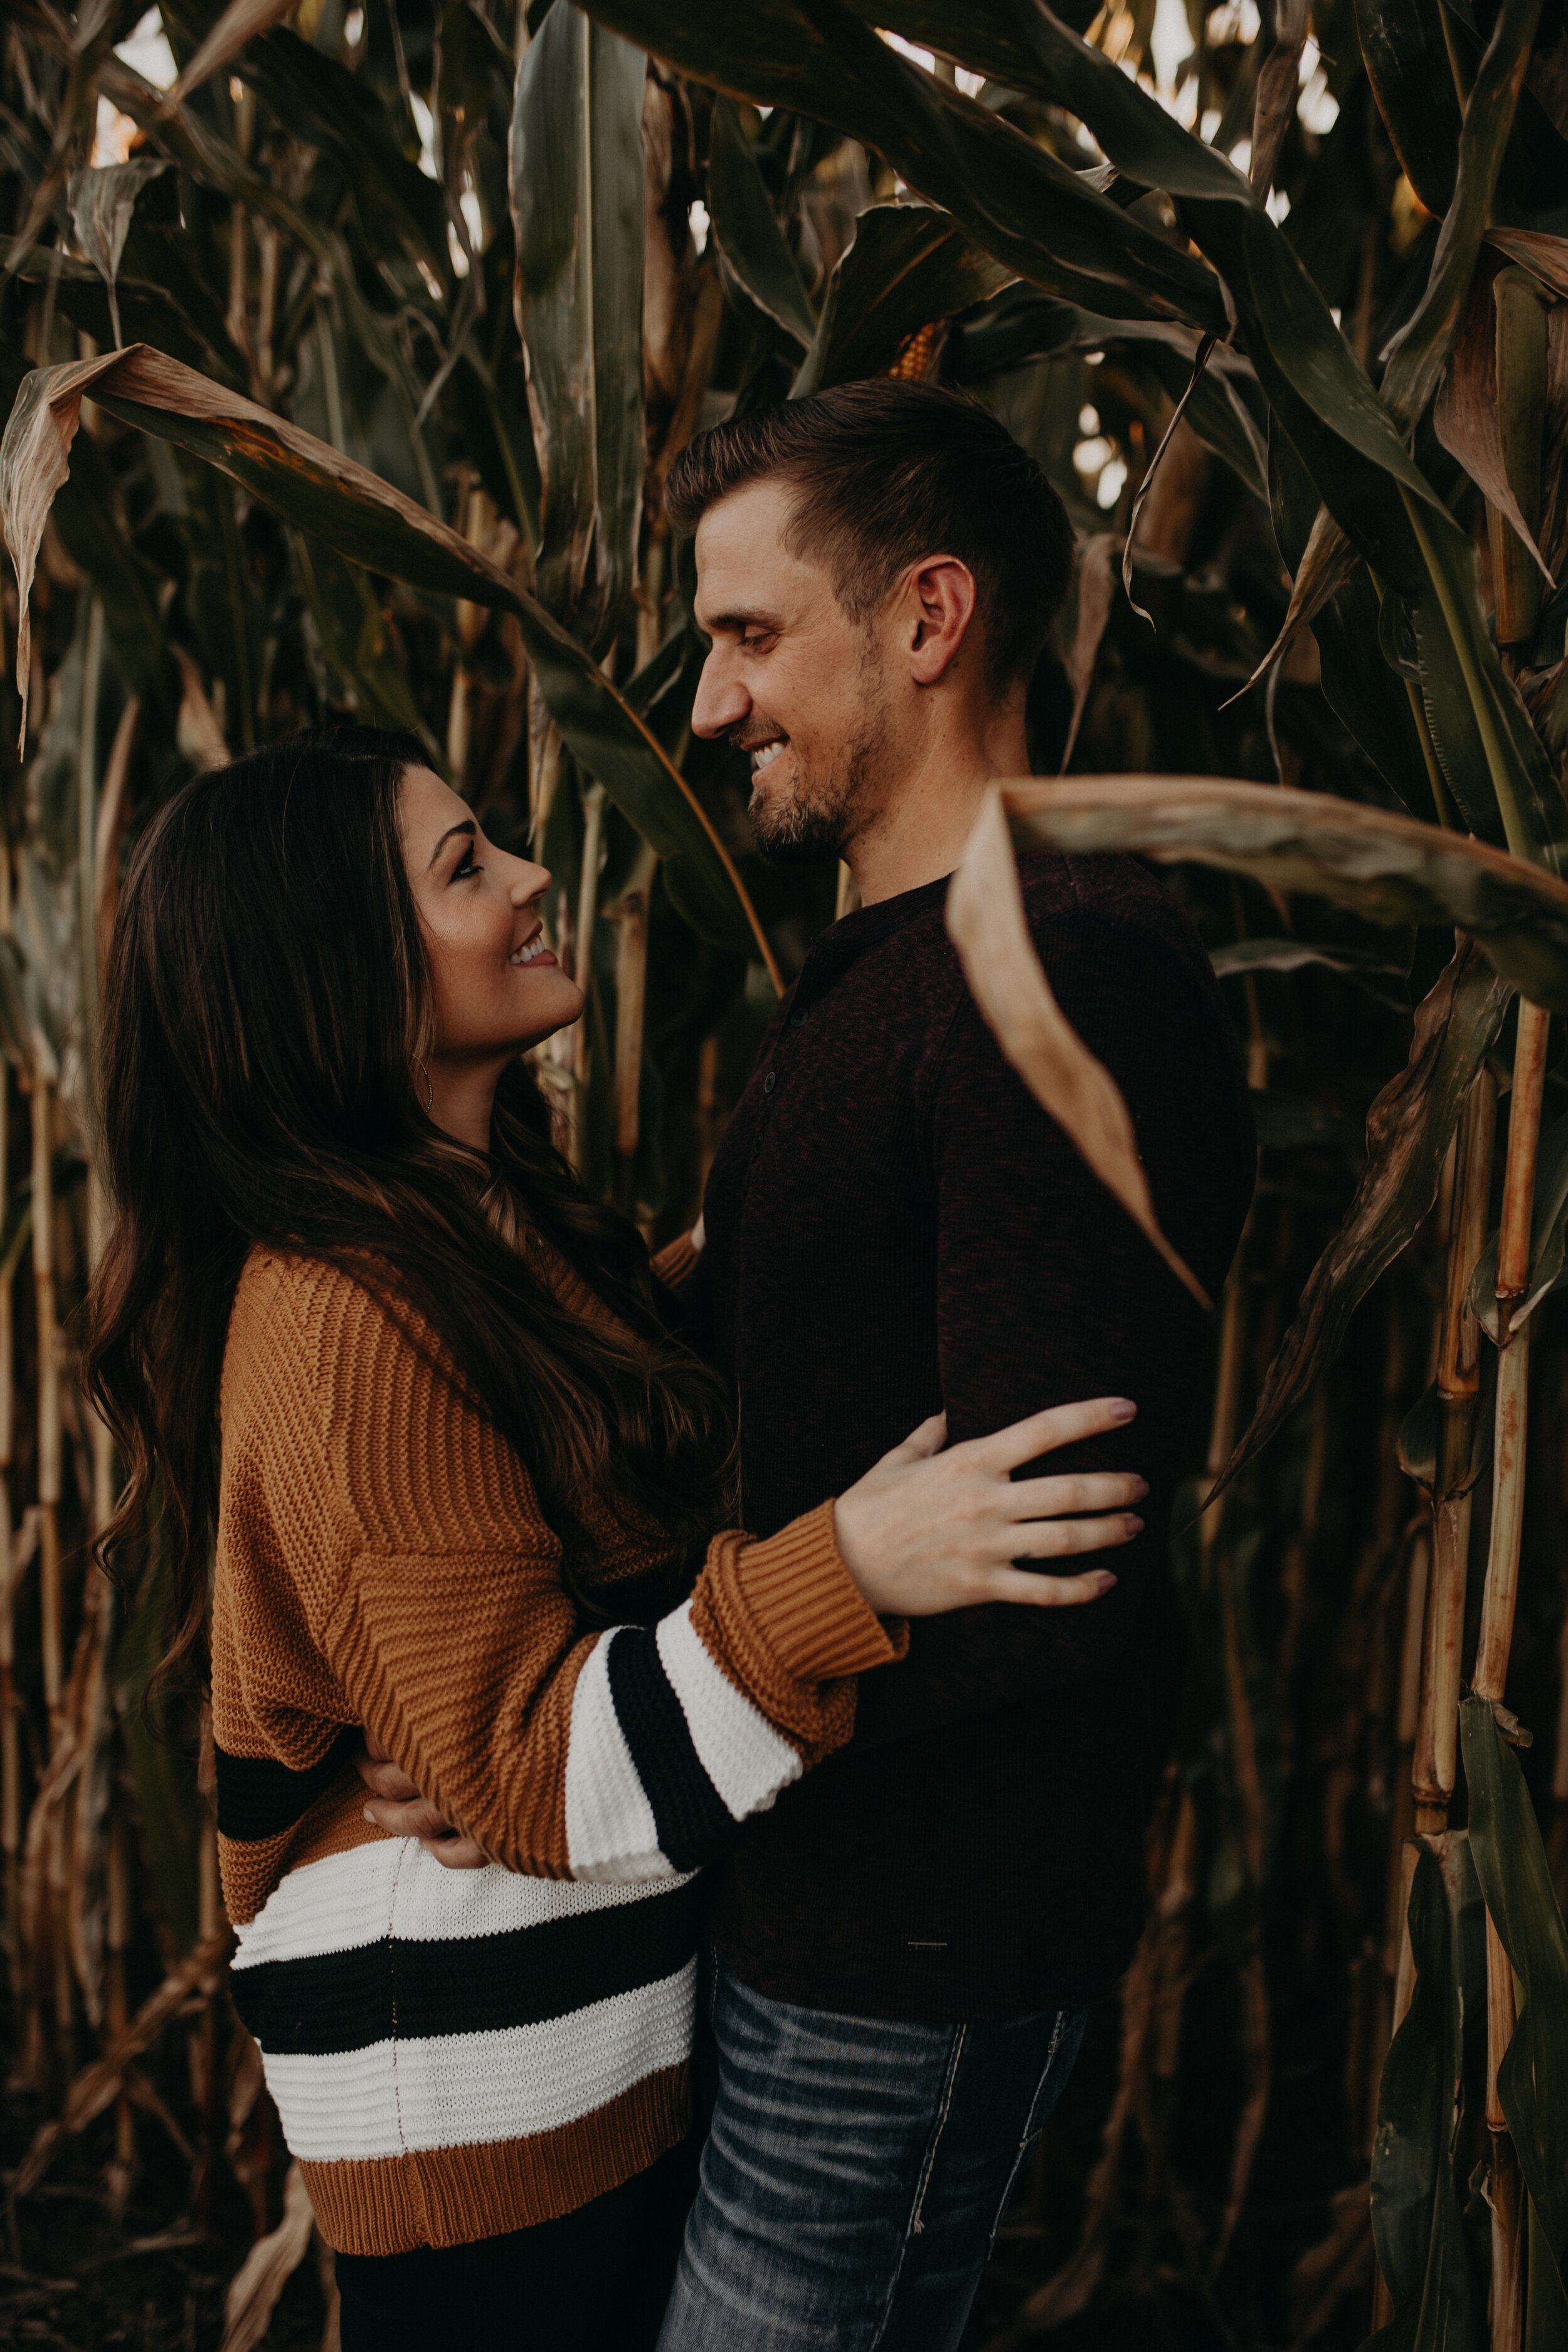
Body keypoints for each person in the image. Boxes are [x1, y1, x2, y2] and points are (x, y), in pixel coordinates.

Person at [363, 382, 1254, 2349]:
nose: (703, 704)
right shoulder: (898, 970)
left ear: (928, 620)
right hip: (804, 1888)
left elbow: (1043, 1561)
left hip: (912, 1934)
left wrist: (611, 1732)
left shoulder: (1056, 969)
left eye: (748, 636)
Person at [85, 728, 1148, 2351]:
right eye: (463, 868)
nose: (528, 877)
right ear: (334, 980)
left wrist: (787, 1225)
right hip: (478, 2108)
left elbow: (548, 1437)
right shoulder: (340, 1317)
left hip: (575, 2042)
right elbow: (519, 1775)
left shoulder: (468, 1215)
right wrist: (848, 1571)